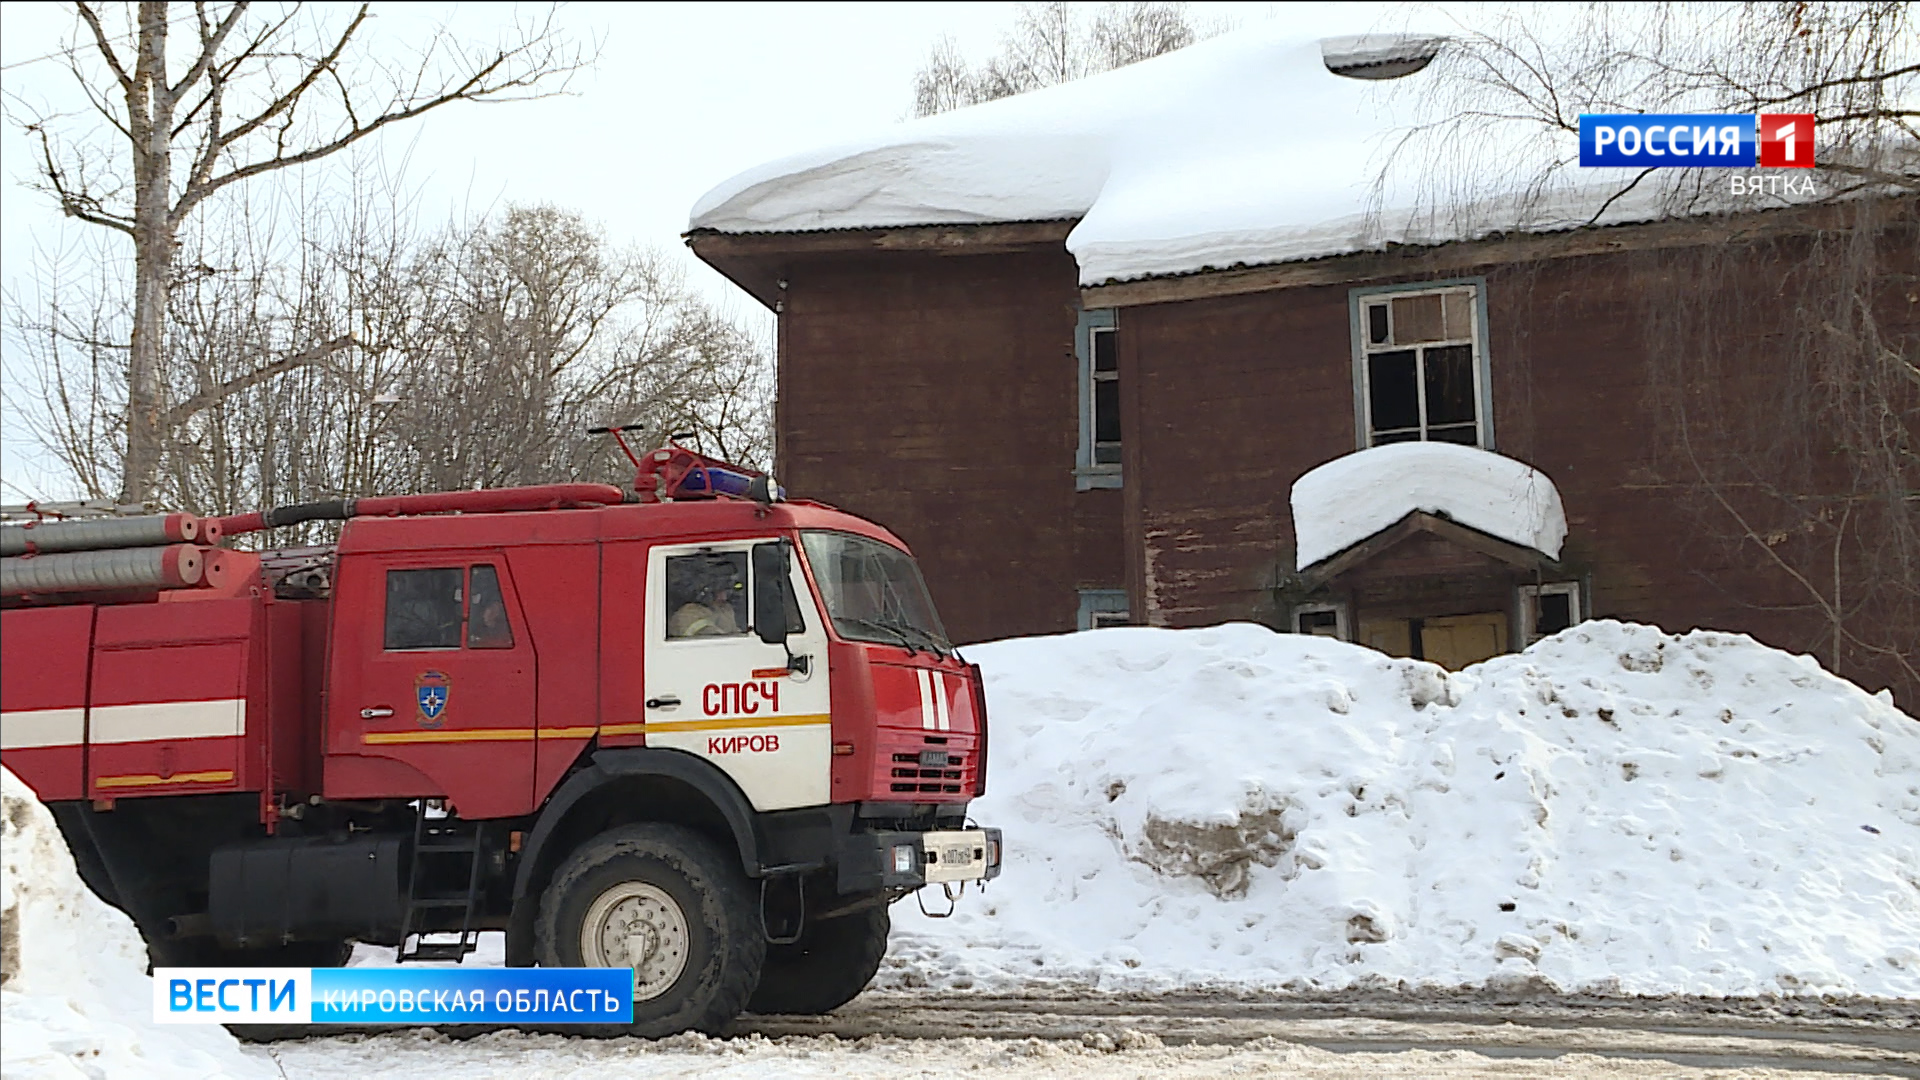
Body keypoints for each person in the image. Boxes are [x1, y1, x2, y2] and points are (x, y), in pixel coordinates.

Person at [670, 573, 743, 638]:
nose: (724, 597)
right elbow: (711, 637)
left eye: (726, 592)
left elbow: (736, 633)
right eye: (718, 592)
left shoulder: (724, 609)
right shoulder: (688, 614)